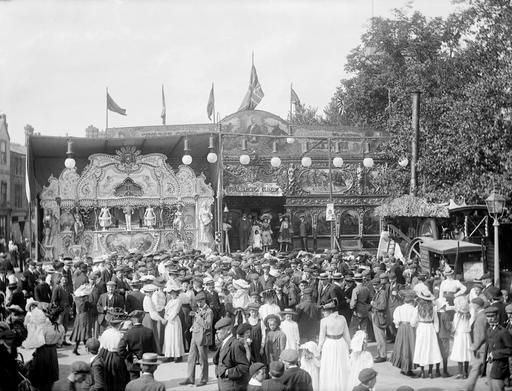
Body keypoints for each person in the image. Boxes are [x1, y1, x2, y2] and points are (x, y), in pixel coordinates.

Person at [179, 291, 212, 387]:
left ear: (204, 301)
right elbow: (196, 321)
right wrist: (192, 327)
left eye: (200, 302)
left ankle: (203, 379)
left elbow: (207, 325)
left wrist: (198, 317)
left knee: (202, 359)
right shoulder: (199, 309)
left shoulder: (209, 311)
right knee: (191, 357)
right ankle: (190, 378)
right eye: (197, 302)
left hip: (202, 336)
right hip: (195, 335)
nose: (198, 303)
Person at [28, 305, 65, 391]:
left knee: (39, 373)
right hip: (52, 352)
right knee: (50, 375)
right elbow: (60, 343)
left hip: (42, 351)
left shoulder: (44, 326)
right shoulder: (61, 328)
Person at [318, 299, 351, 391]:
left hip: (329, 344)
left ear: (329, 311)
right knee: (341, 365)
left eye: (324, 310)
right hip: (341, 343)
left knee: (329, 365)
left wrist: (318, 349)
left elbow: (321, 338)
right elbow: (347, 335)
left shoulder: (324, 321)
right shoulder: (343, 318)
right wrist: (350, 347)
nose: (323, 312)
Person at [212, 316, 250, 391]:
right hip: (223, 384)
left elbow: (244, 367)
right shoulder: (223, 343)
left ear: (228, 330)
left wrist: (227, 372)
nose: (217, 332)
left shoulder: (235, 345)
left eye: (219, 329)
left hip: (232, 385)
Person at [118, 310, 158, 380]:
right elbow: (154, 349)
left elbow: (120, 350)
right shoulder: (149, 331)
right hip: (147, 362)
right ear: (142, 319)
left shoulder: (128, 333)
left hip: (133, 362)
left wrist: (129, 356)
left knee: (134, 383)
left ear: (133, 319)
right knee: (148, 382)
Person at [411, 289, 442, 379]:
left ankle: (422, 371)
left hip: (421, 327)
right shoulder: (433, 308)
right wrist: (436, 330)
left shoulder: (418, 307)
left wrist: (414, 324)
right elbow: (436, 320)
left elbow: (413, 321)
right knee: (431, 348)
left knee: (421, 348)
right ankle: (430, 372)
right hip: (430, 328)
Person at [484, 306, 512, 390]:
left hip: (500, 365)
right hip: (490, 365)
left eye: (492, 316)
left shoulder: (503, 332)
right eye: (488, 317)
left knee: (497, 388)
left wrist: (495, 354)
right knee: (491, 388)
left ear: (497, 317)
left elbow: (510, 349)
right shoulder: (489, 330)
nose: (490, 319)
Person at [390, 290, 416, 376]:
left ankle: (402, 367)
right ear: (412, 300)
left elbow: (396, 320)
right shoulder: (413, 309)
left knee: (401, 346)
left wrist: (398, 326)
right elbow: (414, 322)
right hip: (410, 328)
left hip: (401, 327)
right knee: (410, 346)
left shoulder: (399, 308)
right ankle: (408, 368)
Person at [464, 297, 488, 391]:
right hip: (484, 347)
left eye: (472, 304)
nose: (471, 306)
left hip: (481, 348)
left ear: (476, 305)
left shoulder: (480, 317)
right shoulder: (483, 314)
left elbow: (480, 335)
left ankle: (468, 387)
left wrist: (474, 346)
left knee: (476, 368)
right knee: (482, 368)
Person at [449, 296, 472, 379]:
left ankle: (460, 373)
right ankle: (466, 372)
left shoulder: (457, 315)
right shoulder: (469, 314)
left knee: (459, 352)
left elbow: (455, 325)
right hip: (466, 335)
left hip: (459, 335)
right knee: (466, 353)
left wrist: (452, 331)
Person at [162, 282, 184, 362]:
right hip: (169, 321)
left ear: (176, 293)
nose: (172, 294)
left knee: (175, 337)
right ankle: (169, 355)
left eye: (173, 293)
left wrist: (167, 319)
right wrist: (165, 317)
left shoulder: (178, 301)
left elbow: (175, 312)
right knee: (169, 337)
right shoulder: (170, 301)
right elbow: (166, 310)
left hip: (174, 320)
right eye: (170, 293)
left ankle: (178, 355)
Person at [370, 277, 387, 363]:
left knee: (380, 336)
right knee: (378, 336)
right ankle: (380, 353)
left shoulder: (382, 293)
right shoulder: (378, 292)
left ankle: (383, 355)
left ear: (380, 284)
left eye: (376, 285)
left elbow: (382, 306)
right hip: (376, 316)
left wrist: (373, 304)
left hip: (379, 316)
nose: (374, 286)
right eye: (373, 285)